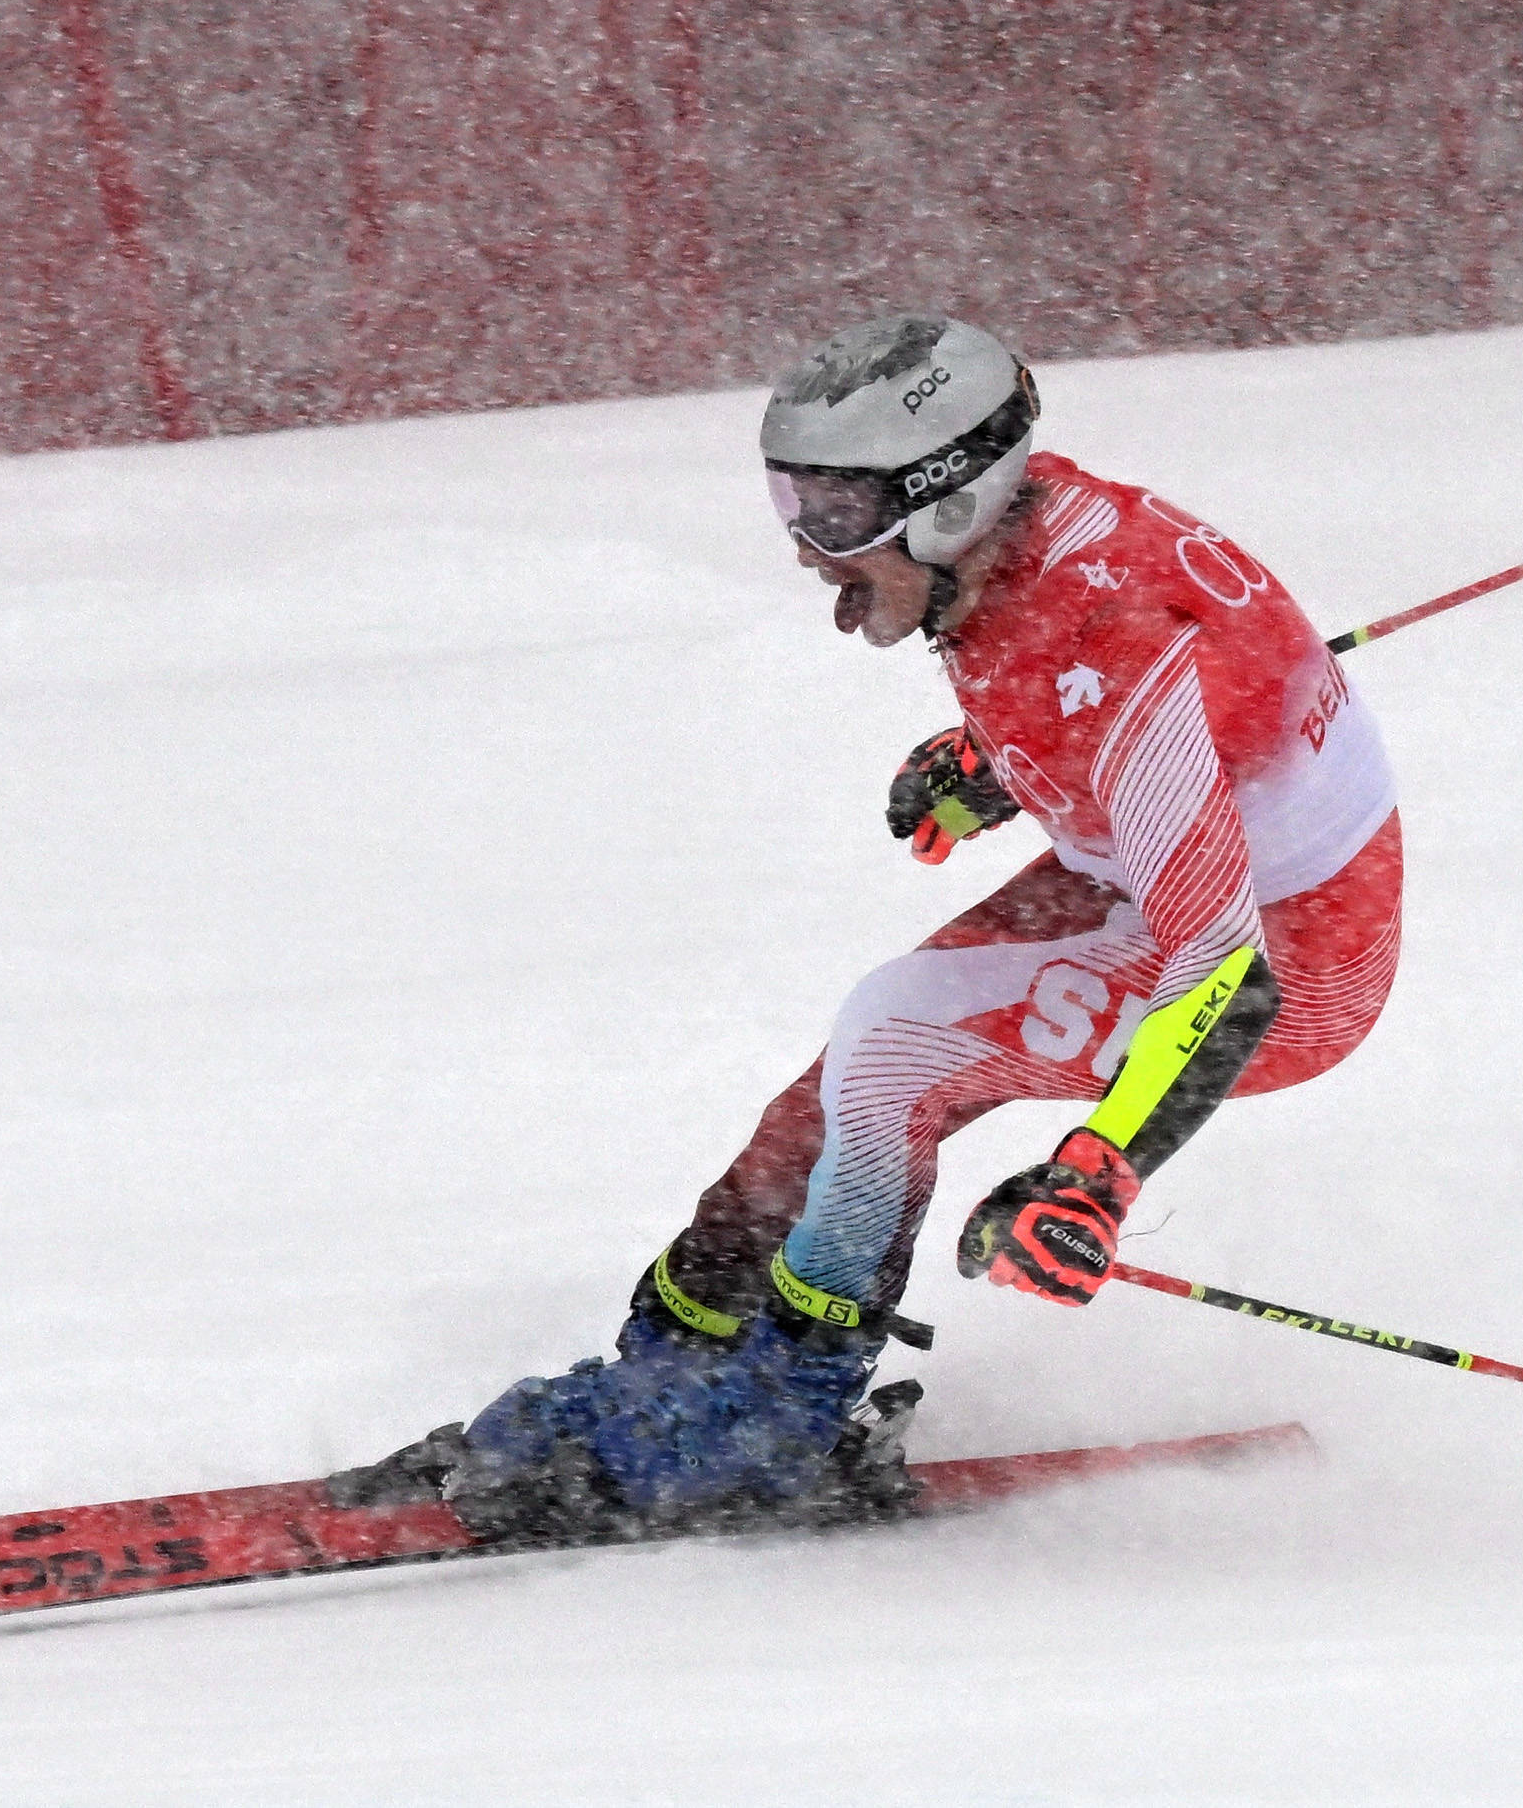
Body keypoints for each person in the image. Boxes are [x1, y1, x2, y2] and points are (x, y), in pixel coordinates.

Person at [338, 314, 1405, 1541]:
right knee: (838, 1093)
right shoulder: (1025, 551)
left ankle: (768, 1423)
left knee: (897, 1042)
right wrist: (998, 758)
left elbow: (1228, 966)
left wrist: (1097, 1174)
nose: (807, 551)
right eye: (791, 503)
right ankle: (687, 1361)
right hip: (1151, 870)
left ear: (949, 502)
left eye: (836, 514)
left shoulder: (1116, 657)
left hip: (1290, 951)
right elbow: (1104, 708)